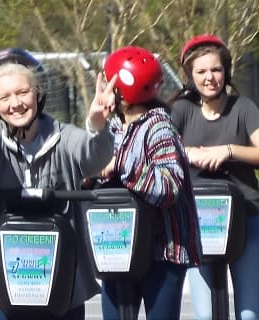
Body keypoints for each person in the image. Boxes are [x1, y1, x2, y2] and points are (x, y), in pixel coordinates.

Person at [0, 36, 118, 320]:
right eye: (5, 97)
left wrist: (97, 124)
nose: (16, 103)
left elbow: (93, 157)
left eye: (23, 92)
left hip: (61, 280)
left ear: (38, 94)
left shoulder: (62, 136)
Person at [96, 45, 202, 320]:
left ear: (121, 89)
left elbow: (169, 188)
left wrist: (119, 166)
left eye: (109, 83)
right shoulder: (112, 127)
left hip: (161, 252)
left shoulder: (158, 127)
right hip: (117, 246)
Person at [170, 34, 259, 320]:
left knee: (248, 313)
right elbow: (161, 151)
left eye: (216, 70)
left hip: (247, 216)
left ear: (226, 72)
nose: (210, 77)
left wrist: (229, 151)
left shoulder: (243, 107)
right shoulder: (181, 110)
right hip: (199, 223)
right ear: (190, 76)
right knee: (206, 315)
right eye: (201, 71)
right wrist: (190, 153)